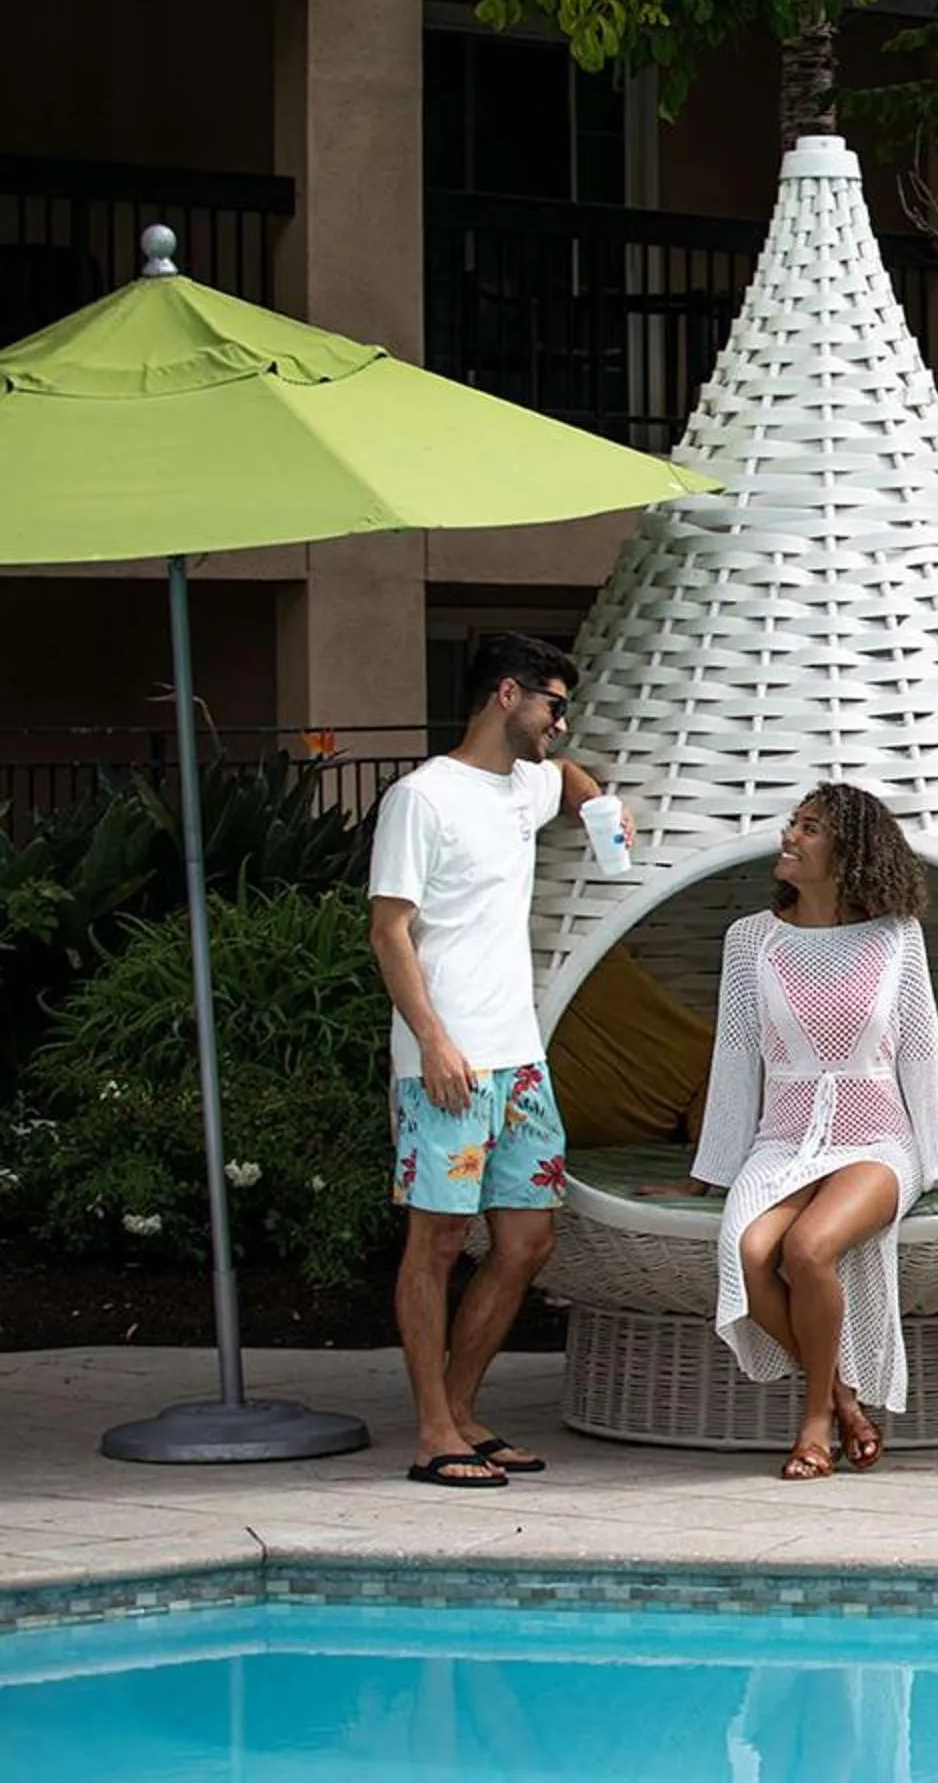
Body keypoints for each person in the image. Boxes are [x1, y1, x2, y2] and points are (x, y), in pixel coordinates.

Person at [662, 783, 938, 1480]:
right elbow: (734, 1056)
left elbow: (922, 1051)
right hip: (782, 1141)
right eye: (792, 824)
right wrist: (711, 1170)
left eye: (811, 828)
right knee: (747, 1249)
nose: (790, 837)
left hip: (877, 1139)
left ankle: (814, 1423)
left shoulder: (895, 937)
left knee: (806, 1249)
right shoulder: (751, 941)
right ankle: (850, 1402)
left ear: (850, 851)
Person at [368, 632, 625, 1488]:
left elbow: (571, 775)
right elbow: (389, 929)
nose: (562, 723)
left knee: (525, 1241)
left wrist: (597, 804)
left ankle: (462, 1407)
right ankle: (432, 1431)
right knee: (437, 1241)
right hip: (445, 1058)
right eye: (554, 705)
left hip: (520, 1058)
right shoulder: (422, 798)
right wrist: (435, 1040)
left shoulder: (527, 785)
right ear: (506, 695)